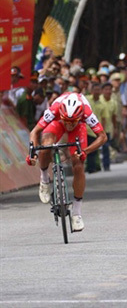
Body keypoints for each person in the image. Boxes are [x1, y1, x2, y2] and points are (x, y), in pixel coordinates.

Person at [26, 93, 107, 231]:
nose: (69, 125)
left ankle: (76, 213)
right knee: (46, 145)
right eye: (67, 121)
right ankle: (45, 179)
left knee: (78, 163)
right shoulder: (55, 109)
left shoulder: (86, 112)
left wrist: (85, 151)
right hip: (57, 122)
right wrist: (32, 152)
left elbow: (102, 137)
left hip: (79, 127)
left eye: (72, 121)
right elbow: (34, 132)